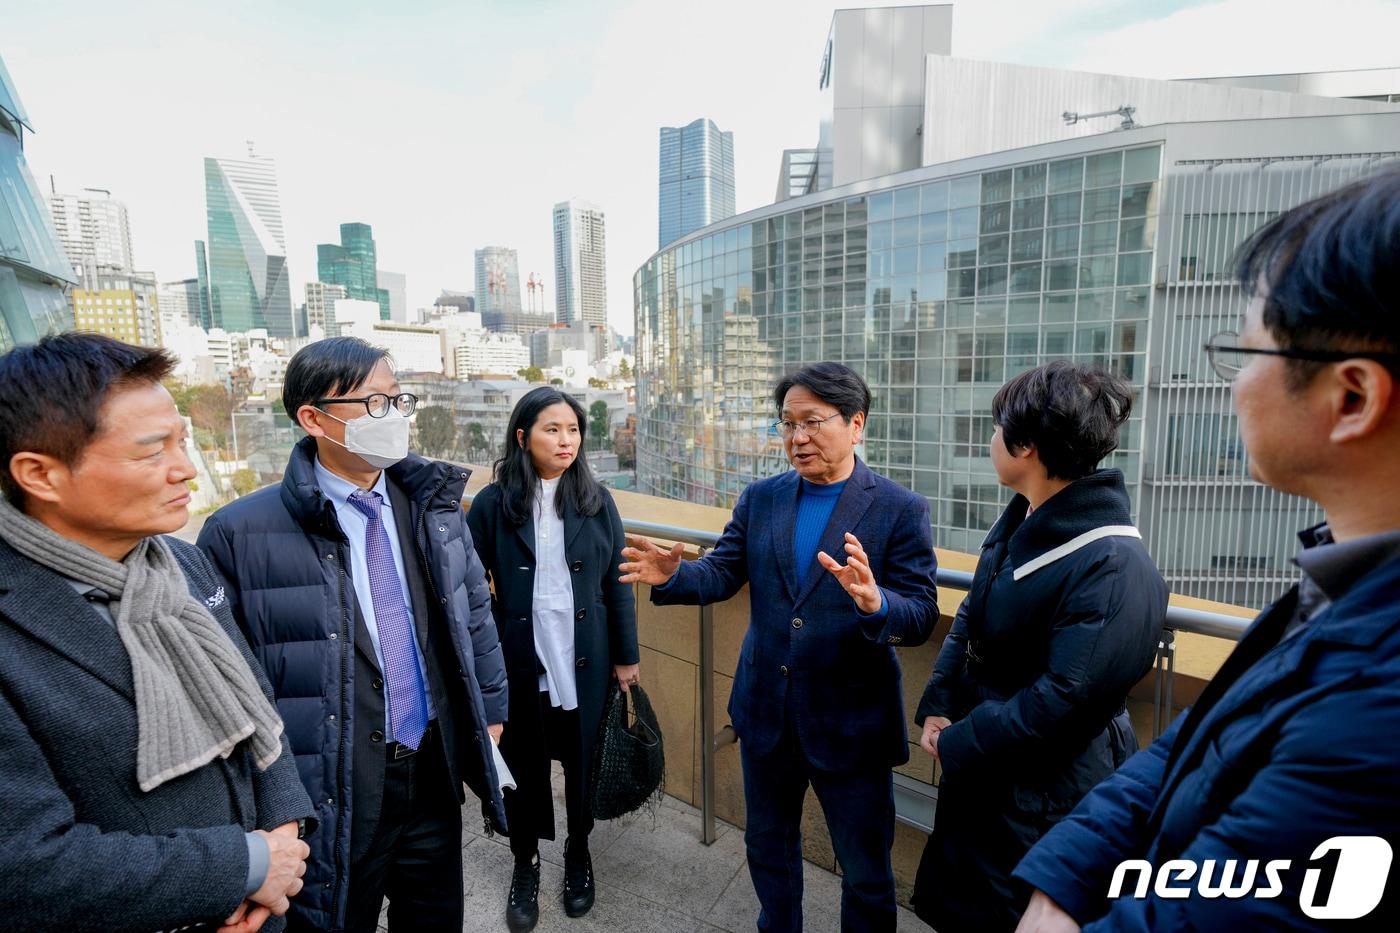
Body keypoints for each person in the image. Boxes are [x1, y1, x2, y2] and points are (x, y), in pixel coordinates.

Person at [1014, 169, 1400, 931]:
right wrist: (1064, 876)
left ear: (1351, 396)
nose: (1233, 387)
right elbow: (1196, 739)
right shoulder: (1342, 580)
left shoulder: (1379, 706)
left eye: (1245, 352)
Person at [0, 333, 314, 933]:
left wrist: (282, 839)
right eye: (151, 454)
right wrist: (242, 867)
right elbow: (21, 866)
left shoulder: (177, 563)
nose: (186, 470)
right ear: (40, 474)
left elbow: (255, 709)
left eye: (182, 442)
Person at [197, 336, 509, 932]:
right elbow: (226, 687)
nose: (390, 418)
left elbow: (474, 613)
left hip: (433, 767)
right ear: (313, 418)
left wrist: (489, 709)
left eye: (397, 400)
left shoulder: (431, 507)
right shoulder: (239, 533)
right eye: (371, 404)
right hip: (330, 783)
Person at [620, 361, 941, 932]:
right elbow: (722, 572)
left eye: (813, 422)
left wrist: (877, 603)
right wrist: (673, 577)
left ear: (856, 424)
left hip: (852, 724)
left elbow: (918, 612)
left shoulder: (899, 509)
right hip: (766, 708)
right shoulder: (762, 497)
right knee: (769, 848)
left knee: (866, 871)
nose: (797, 438)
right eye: (787, 424)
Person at [909, 362, 1167, 932]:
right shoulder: (1027, 520)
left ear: (1026, 445)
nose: (990, 439)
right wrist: (939, 703)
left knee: (1007, 911)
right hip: (990, 767)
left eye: (998, 427)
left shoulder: (1114, 563)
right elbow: (972, 615)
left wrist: (961, 742)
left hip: (1045, 792)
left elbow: (1065, 701)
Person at [465, 386, 640, 931]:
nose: (566, 440)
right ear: (523, 437)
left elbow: (617, 584)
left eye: (573, 430)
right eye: (551, 429)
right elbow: (470, 585)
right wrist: (487, 647)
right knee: (523, 768)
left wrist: (627, 657)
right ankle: (526, 861)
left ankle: (579, 854)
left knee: (584, 764)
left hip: (585, 659)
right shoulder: (493, 504)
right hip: (519, 663)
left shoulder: (597, 499)